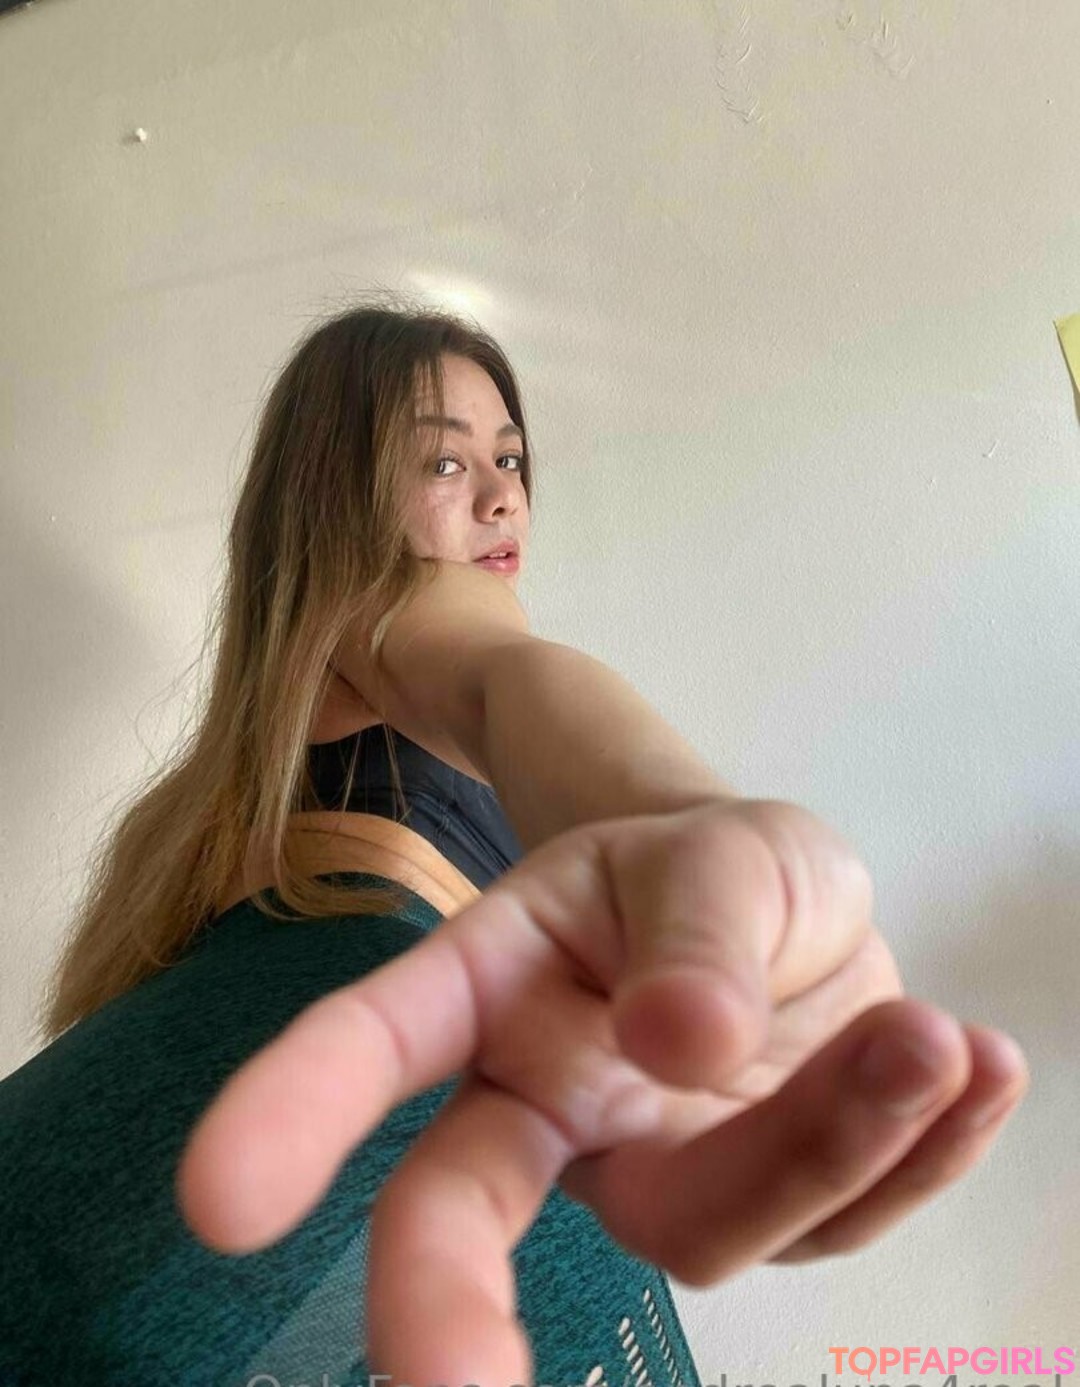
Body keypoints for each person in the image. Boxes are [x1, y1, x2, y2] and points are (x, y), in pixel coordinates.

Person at [0, 296, 1028, 1386]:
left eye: (512, 458)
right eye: (446, 464)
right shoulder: (390, 633)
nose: (503, 497)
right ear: (332, 508)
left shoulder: (240, 814)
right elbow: (498, 674)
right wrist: (689, 823)